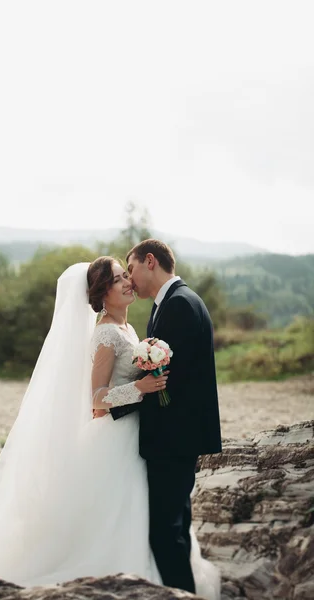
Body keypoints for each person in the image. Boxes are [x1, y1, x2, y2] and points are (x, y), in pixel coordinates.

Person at [0, 256, 220, 599]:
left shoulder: (128, 328)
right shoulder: (107, 333)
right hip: (115, 438)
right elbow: (97, 400)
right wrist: (139, 389)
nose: (128, 283)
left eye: (127, 275)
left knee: (149, 514)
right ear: (102, 293)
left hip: (140, 435)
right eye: (118, 279)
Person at [111, 239, 222, 594]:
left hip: (173, 440)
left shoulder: (178, 306)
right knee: (175, 528)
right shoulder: (175, 302)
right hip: (178, 438)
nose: (130, 279)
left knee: (165, 533)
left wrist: (114, 404)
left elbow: (163, 382)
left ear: (149, 261)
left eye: (130, 270)